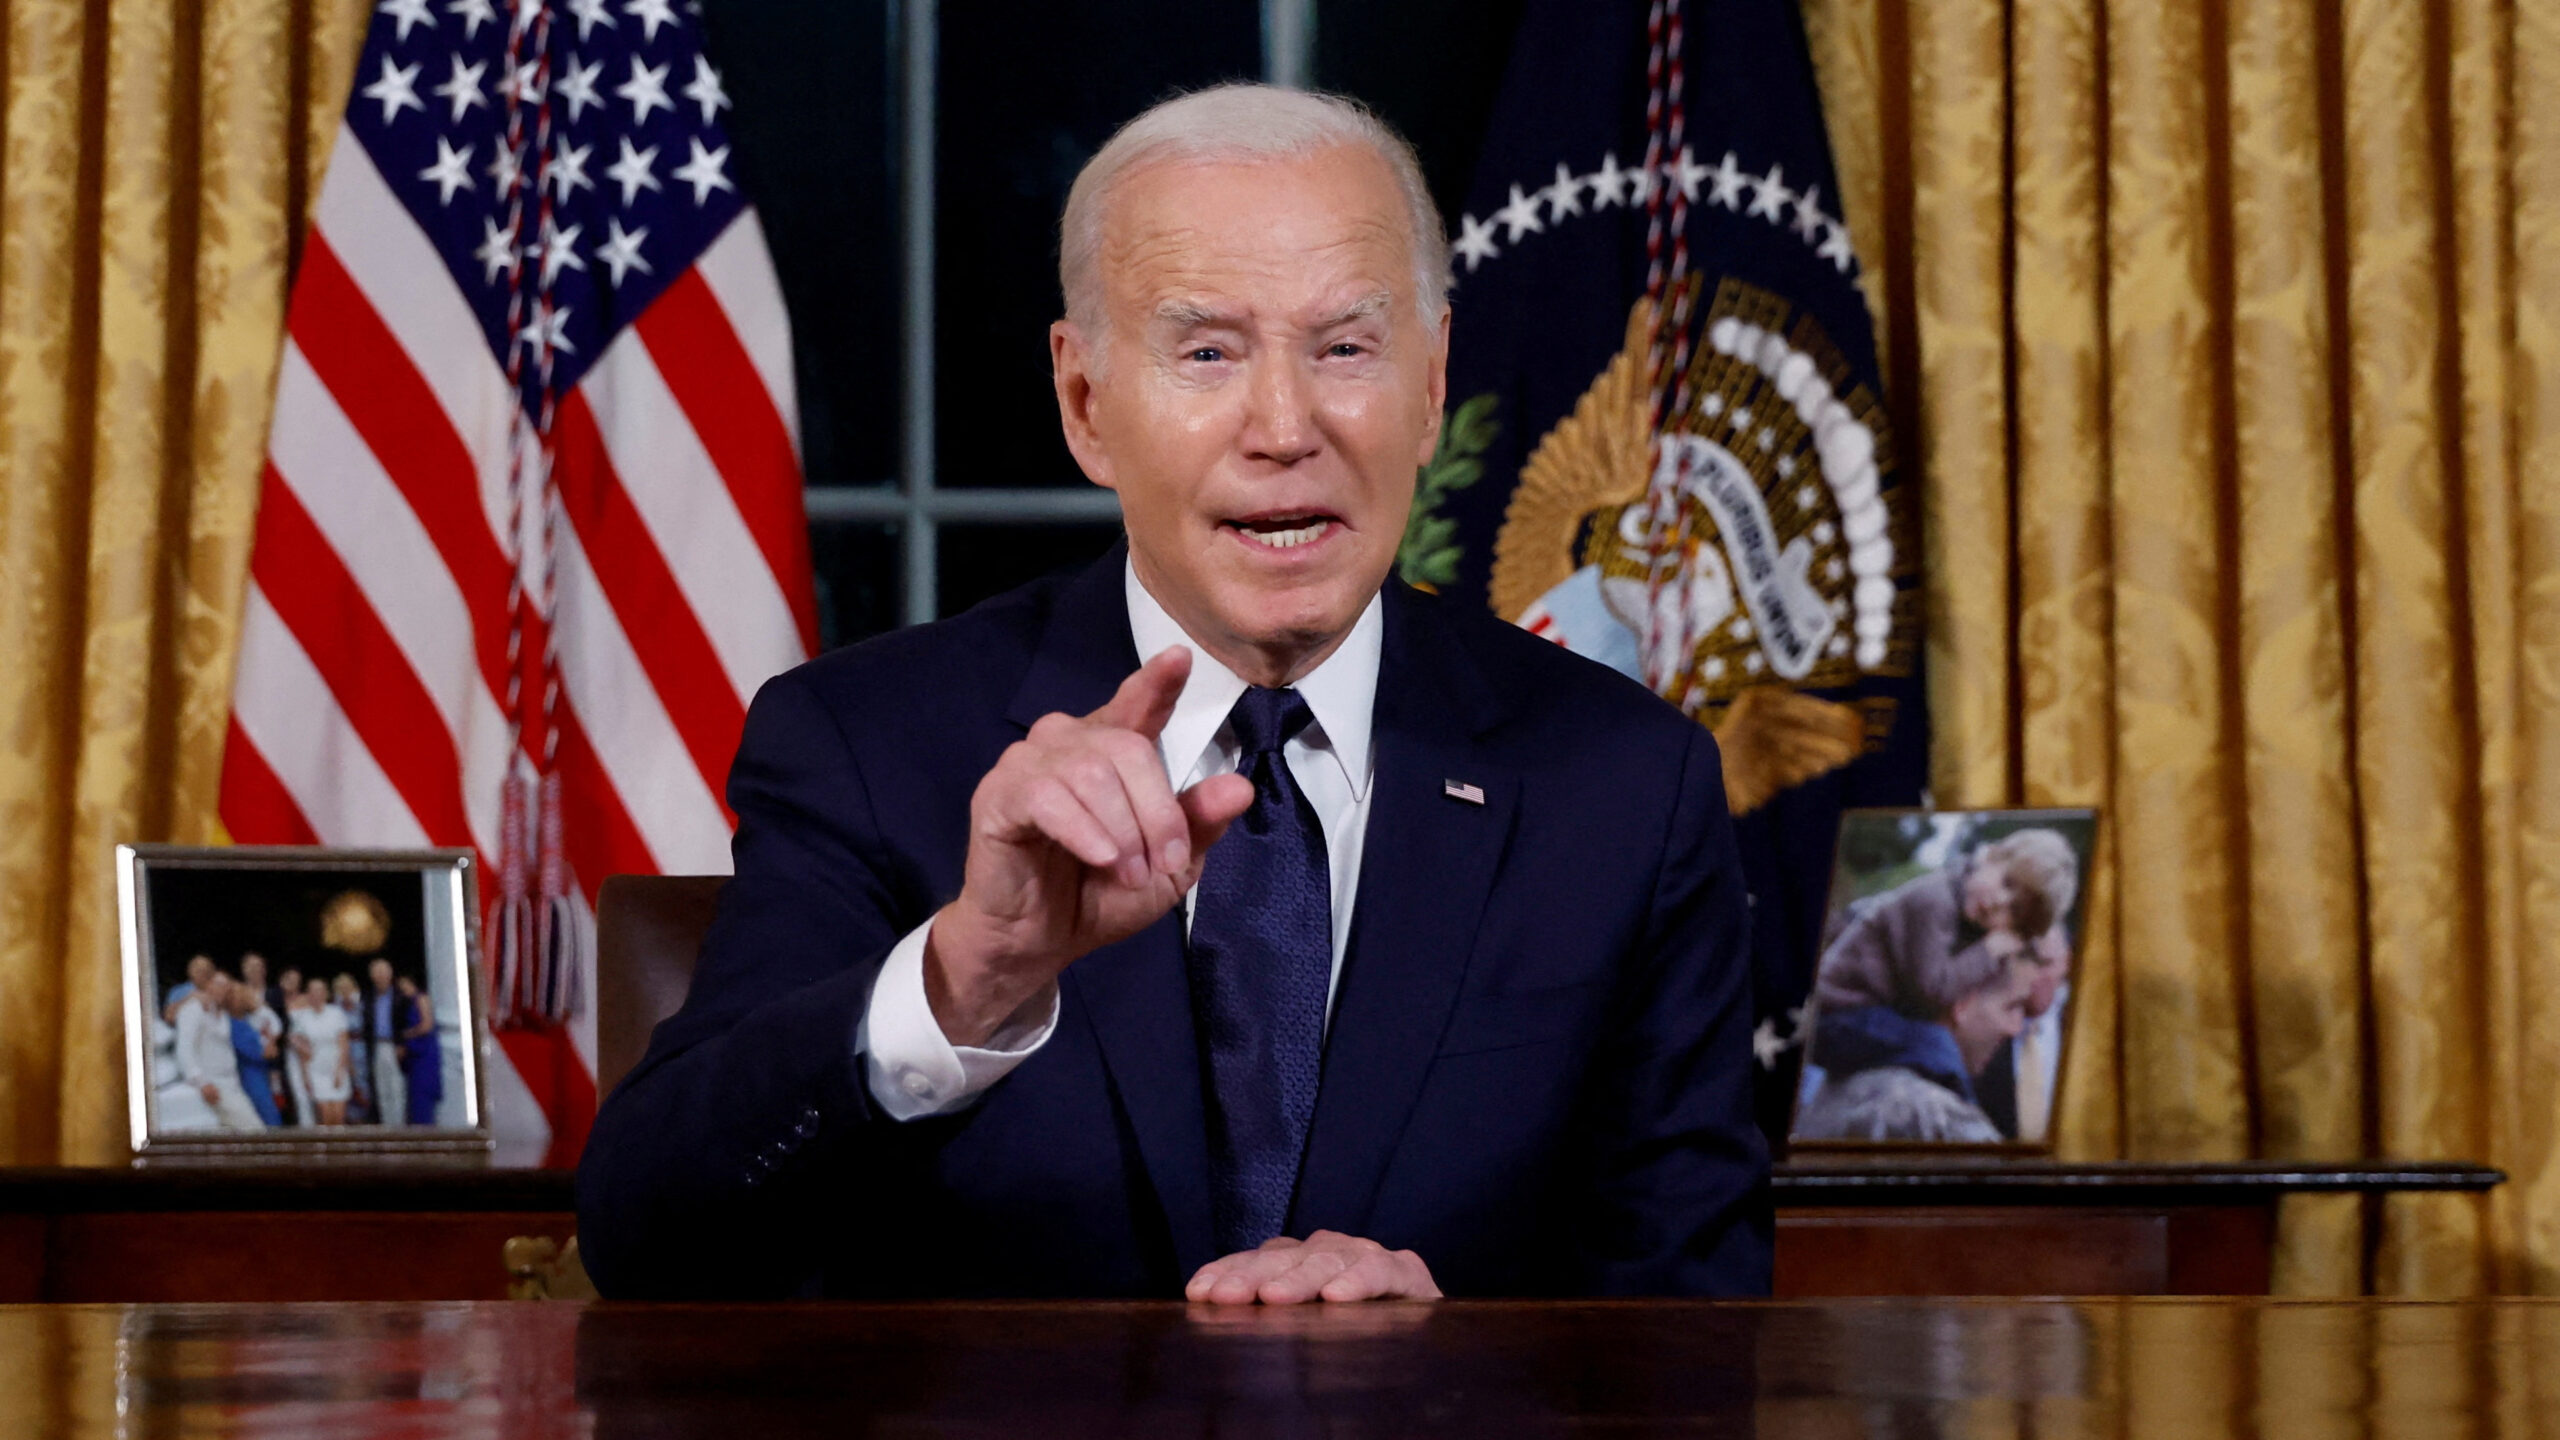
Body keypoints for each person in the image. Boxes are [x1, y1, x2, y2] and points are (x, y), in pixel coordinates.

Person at [578, 85, 1768, 1303]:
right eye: (1206, 352)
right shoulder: (866, 746)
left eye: (1345, 347)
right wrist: (968, 976)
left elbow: (1695, 1321)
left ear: (1428, 386)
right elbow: (650, 1242)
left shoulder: (1623, 782)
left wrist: (1454, 1359)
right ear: (1086, 403)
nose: (1283, 427)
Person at [1969, 830, 2079, 1141]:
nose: (2031, 976)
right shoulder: (1979, 1022)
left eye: (2043, 963)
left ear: (2066, 963)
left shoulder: (2091, 1027)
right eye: (2022, 959)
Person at [172, 974, 264, 1131]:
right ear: (208, 986)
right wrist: (202, 1083)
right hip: (213, 1084)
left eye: (226, 987)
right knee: (254, 1129)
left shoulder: (223, 1014)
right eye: (219, 985)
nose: (224, 990)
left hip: (232, 1082)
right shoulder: (194, 1009)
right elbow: (184, 1049)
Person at [292, 977, 353, 1126]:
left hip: (336, 1066)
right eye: (312, 991)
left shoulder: (336, 1013)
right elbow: (299, 1047)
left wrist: (340, 1071)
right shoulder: (303, 1017)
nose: (316, 994)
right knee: (325, 1116)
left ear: (326, 993)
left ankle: (340, 1149)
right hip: (316, 1069)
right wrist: (305, 1076)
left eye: (319, 990)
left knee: (338, 1116)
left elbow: (344, 1044)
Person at [239, 953, 291, 1126]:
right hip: (248, 1056)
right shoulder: (239, 993)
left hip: (273, 1054)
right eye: (250, 967)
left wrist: (273, 1042)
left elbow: (284, 1021)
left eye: (258, 966)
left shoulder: (275, 993)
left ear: (264, 970)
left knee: (278, 1097)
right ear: (244, 970)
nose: (254, 971)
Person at [223, 979, 282, 1127]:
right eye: (237, 995)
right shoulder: (232, 1023)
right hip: (249, 1076)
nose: (242, 998)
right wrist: (269, 1050)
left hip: (262, 1072)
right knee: (267, 1114)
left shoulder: (248, 1019)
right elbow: (260, 1053)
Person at [395, 975, 444, 1126]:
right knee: (414, 1098)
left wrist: (406, 1033)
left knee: (423, 1096)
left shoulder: (421, 999)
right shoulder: (407, 1002)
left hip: (425, 1053)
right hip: (414, 1055)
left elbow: (426, 1025)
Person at [363, 958, 406, 1127]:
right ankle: (387, 1127)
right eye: (376, 973)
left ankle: (399, 1127)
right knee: (381, 1089)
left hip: (394, 1046)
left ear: (390, 974)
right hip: (376, 1046)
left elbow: (405, 1022)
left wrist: (402, 1044)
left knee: (397, 1088)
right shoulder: (369, 997)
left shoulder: (400, 996)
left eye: (383, 972)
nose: (380, 976)